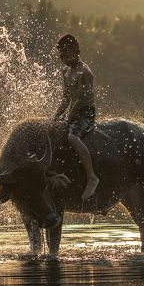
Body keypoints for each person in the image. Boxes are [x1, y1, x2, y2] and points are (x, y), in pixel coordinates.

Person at [52, 34, 99, 199]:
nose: (63, 58)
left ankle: (92, 177)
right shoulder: (65, 71)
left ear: (76, 51)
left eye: (66, 54)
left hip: (86, 112)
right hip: (73, 110)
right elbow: (66, 100)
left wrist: (68, 119)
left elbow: (79, 100)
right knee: (53, 130)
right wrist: (55, 118)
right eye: (61, 55)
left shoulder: (85, 72)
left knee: (72, 137)